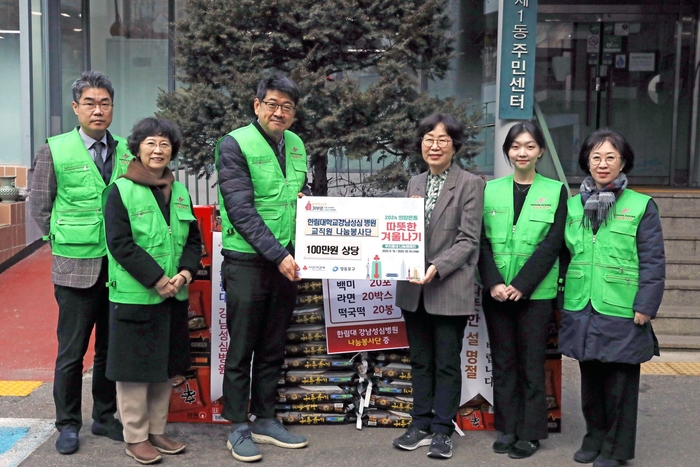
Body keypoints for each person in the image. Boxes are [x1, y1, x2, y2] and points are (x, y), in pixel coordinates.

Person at [30, 71, 133, 455]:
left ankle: (105, 418)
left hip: (119, 267)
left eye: (104, 102)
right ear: (76, 108)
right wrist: (62, 239)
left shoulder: (126, 149)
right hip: (75, 265)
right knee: (72, 351)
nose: (98, 110)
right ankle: (67, 423)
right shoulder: (55, 149)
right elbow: (40, 204)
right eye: (89, 103)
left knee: (109, 348)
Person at [215, 73, 310, 463]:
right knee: (242, 347)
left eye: (287, 106)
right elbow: (240, 209)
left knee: (273, 345)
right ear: (257, 106)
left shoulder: (298, 145)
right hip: (248, 263)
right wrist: (278, 254)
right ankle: (237, 424)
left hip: (285, 262)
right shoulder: (234, 144)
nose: (279, 112)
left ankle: (265, 417)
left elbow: (295, 196)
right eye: (272, 104)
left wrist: (310, 205)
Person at [559, 128, 665, 467]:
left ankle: (616, 450)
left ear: (623, 162)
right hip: (583, 304)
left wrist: (646, 305)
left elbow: (652, 259)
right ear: (586, 162)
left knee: (619, 384)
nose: (602, 164)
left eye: (610, 158)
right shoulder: (575, 205)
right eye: (596, 157)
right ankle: (594, 436)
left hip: (622, 306)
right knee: (590, 380)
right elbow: (565, 254)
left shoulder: (640, 205)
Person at [103, 117, 202, 464]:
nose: (158, 149)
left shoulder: (180, 191)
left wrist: (186, 273)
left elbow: (193, 239)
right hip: (136, 297)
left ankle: (157, 430)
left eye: (164, 144)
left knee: (166, 366)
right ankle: (135, 436)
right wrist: (159, 279)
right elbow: (120, 244)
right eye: (150, 143)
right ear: (137, 148)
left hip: (173, 295)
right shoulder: (120, 190)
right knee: (133, 371)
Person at [392, 113, 485, 459]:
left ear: (455, 146)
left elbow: (468, 239)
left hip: (448, 286)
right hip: (413, 288)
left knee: (447, 361)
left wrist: (436, 267)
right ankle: (419, 423)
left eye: (443, 139)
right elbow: (401, 233)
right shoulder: (415, 183)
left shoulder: (470, 183)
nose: (434, 145)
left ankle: (443, 429)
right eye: (428, 139)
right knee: (420, 360)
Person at [478, 121, 567, 459]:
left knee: (531, 363)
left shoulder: (556, 191)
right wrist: (494, 283)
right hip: (497, 292)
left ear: (540, 151)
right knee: (503, 361)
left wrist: (521, 285)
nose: (522, 152)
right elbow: (481, 241)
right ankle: (508, 427)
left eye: (529, 146)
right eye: (516, 146)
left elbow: (552, 244)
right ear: (508, 152)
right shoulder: (490, 189)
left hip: (535, 294)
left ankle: (531, 432)